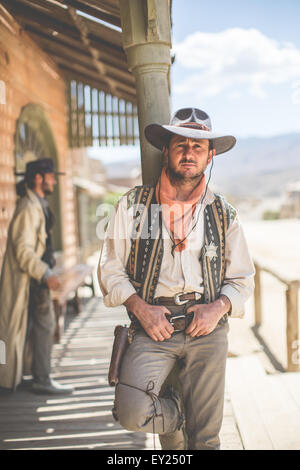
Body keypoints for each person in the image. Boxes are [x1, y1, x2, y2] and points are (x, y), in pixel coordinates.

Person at [98, 108, 255, 450]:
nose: (189, 153)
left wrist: (217, 308)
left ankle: (195, 424)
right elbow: (110, 269)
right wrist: (141, 309)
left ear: (209, 156)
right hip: (154, 326)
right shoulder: (134, 206)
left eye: (198, 147)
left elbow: (243, 278)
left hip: (208, 329)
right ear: (166, 150)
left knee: (206, 439)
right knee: (130, 413)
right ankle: (183, 414)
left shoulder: (224, 213)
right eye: (181, 144)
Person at [0, 158, 73, 395]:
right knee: (38, 327)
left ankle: (26, 375)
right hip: (31, 280)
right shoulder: (29, 207)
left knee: (30, 329)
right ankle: (41, 378)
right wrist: (46, 273)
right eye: (51, 176)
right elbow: (23, 251)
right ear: (39, 178)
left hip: (34, 281)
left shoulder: (36, 204)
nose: (53, 180)